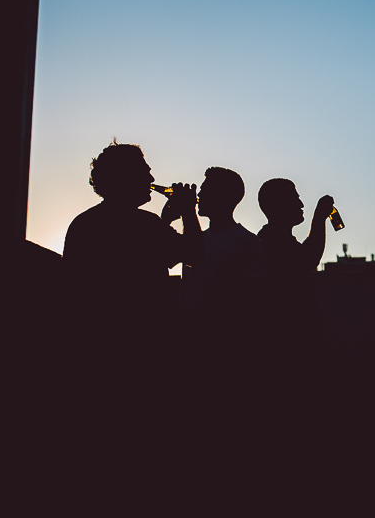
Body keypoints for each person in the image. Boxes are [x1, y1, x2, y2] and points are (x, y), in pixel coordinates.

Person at [63, 141, 202, 374]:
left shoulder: (84, 223)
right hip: (141, 352)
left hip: (92, 348)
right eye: (145, 172)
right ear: (125, 177)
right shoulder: (145, 225)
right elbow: (195, 254)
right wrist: (188, 211)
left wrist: (164, 222)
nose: (151, 178)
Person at [180, 167, 263, 380]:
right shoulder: (194, 242)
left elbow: (250, 302)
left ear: (224, 196)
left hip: (227, 351)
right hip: (192, 346)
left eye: (205, 189)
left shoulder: (246, 243)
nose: (198, 195)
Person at [256, 178, 335, 380]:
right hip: (287, 346)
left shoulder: (276, 239)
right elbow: (308, 258)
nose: (301, 205)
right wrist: (319, 218)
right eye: (295, 199)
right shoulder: (271, 242)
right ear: (278, 205)